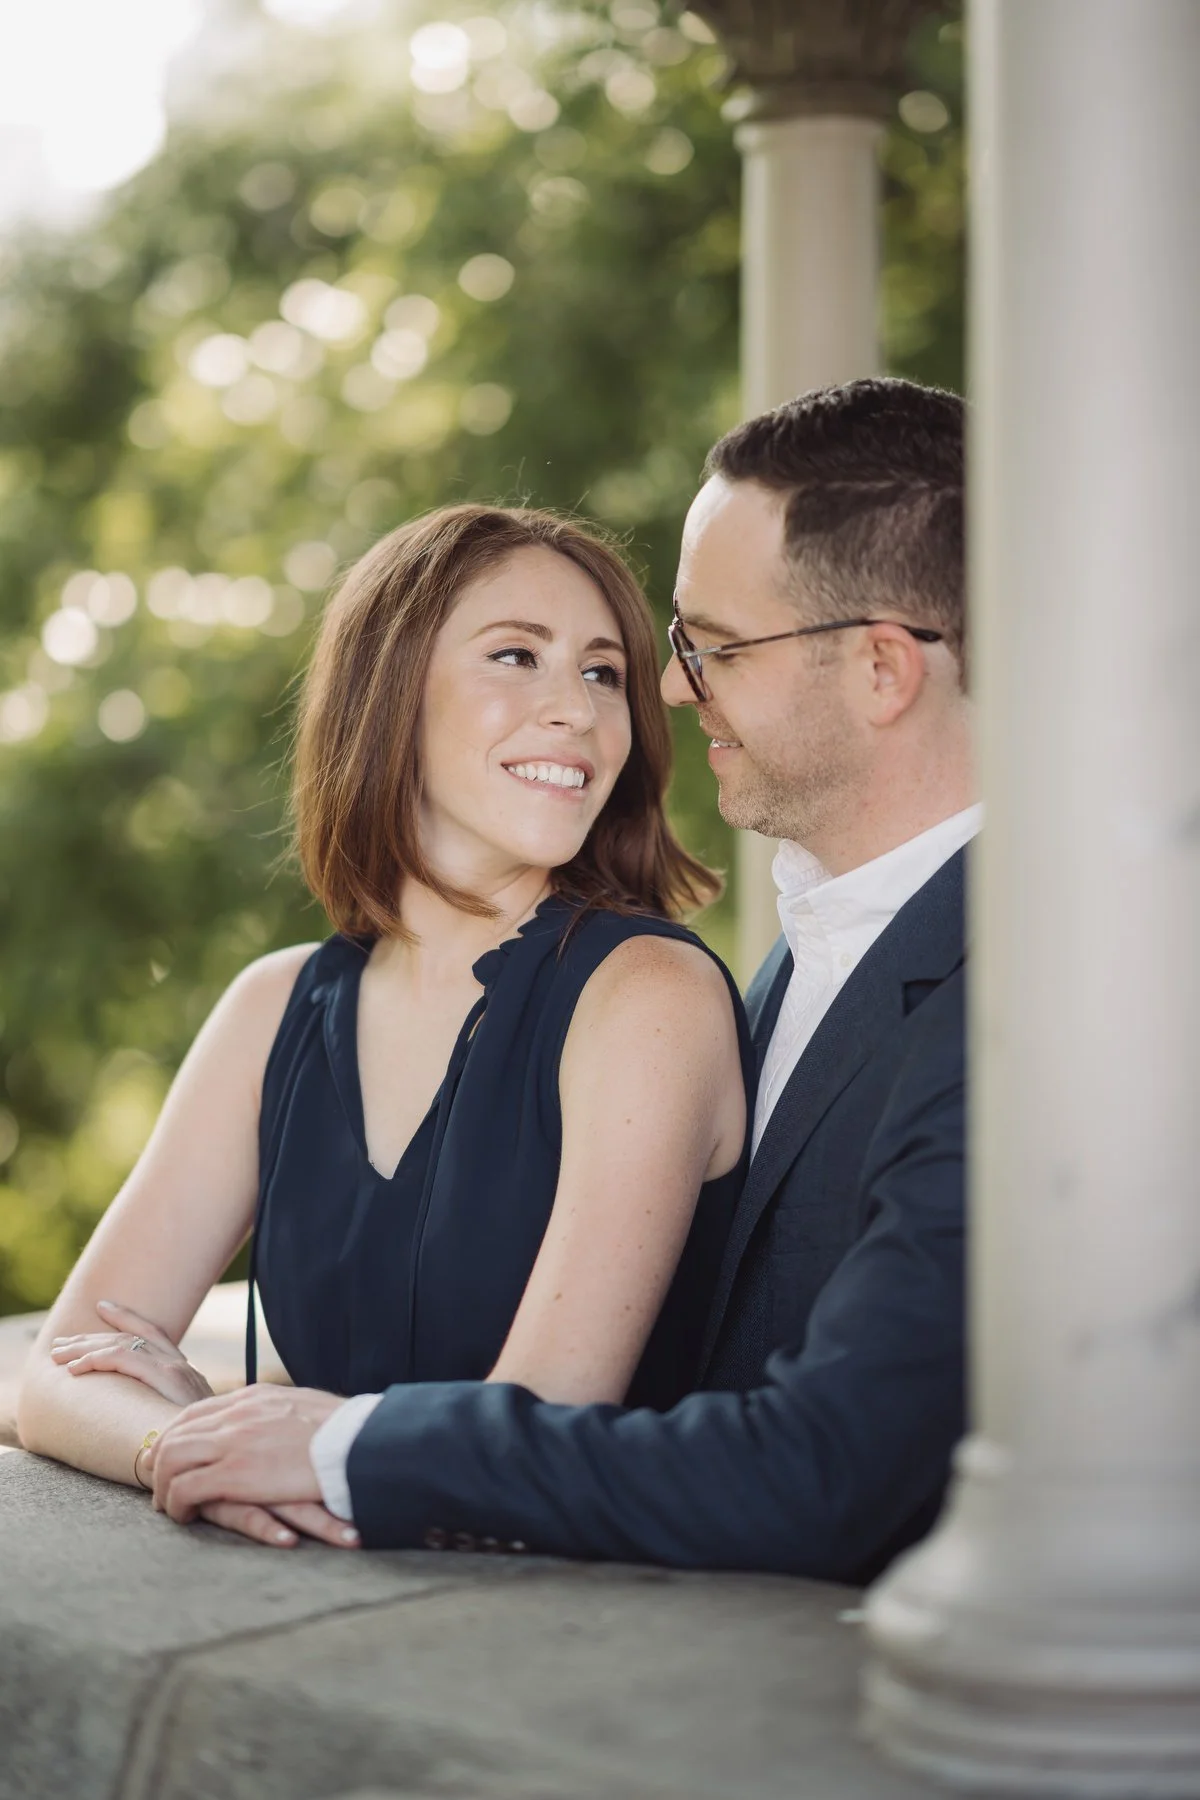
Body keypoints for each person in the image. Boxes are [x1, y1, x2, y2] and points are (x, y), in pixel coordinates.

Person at [131, 376, 979, 1583]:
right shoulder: (814, 955)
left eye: (713, 647)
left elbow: (828, 1470)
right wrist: (202, 1428)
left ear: (884, 670)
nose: (670, 690)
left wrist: (338, 1443)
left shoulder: (1027, 994)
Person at [17, 504, 753, 1551]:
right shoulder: (275, 1007)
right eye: (516, 655)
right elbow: (59, 1372)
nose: (579, 712)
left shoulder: (645, 997)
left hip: (566, 1644)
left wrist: (272, 1435)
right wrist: (188, 1440)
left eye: (603, 674)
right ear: (388, 692)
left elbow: (535, 1425)